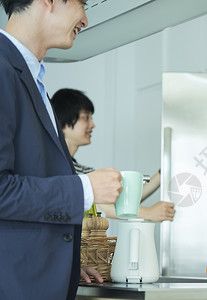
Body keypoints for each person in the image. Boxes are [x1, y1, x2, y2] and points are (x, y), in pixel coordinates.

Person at [0, 0, 123, 299]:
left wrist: (62, 262)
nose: (85, 19)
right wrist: (85, 188)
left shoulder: (30, 77)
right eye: (82, 4)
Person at [50, 88, 176, 222]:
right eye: (86, 117)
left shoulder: (82, 171)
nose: (92, 125)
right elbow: (84, 200)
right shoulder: (52, 165)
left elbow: (122, 198)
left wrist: (165, 171)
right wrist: (147, 213)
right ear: (62, 121)